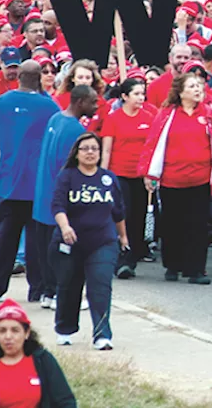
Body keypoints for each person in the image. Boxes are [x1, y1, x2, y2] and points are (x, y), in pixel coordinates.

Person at [139, 72, 212, 285]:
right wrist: (147, 173)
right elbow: (152, 143)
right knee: (172, 225)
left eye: (199, 85)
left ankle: (196, 270)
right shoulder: (166, 114)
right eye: (192, 86)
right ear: (181, 92)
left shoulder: (209, 113)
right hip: (172, 180)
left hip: (200, 180)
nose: (197, 89)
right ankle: (173, 266)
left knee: (198, 226)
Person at [0, 60, 61, 303]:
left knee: (3, 240)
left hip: (9, 182)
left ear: (19, 77)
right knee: (39, 243)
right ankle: (41, 291)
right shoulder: (50, 106)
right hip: (38, 186)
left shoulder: (2, 102)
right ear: (38, 79)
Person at [50, 131, 127, 350]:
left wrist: (123, 236)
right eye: (86, 149)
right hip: (71, 242)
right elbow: (57, 205)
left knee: (100, 286)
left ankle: (102, 334)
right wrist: (65, 227)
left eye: (95, 148)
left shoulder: (108, 178)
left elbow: (118, 211)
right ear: (76, 153)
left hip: (103, 241)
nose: (91, 153)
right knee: (69, 286)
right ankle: (64, 329)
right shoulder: (67, 177)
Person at [31, 85, 99, 309]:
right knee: (65, 251)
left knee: (47, 251)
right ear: (80, 102)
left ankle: (48, 293)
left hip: (43, 199)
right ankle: (63, 294)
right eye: (92, 102)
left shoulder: (55, 119)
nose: (96, 106)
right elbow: (70, 170)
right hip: (61, 202)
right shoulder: (76, 131)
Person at [0, 299, 77, 408]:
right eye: (2, 331)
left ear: (27, 333)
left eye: (15, 330)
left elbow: (65, 401)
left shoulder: (43, 361)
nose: (8, 336)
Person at [101, 76, 153, 278]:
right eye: (137, 94)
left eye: (143, 94)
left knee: (138, 217)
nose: (141, 98)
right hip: (118, 173)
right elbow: (107, 149)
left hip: (140, 175)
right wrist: (103, 176)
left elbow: (152, 148)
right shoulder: (114, 119)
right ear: (124, 96)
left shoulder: (149, 117)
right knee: (122, 214)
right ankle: (120, 257)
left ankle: (131, 258)